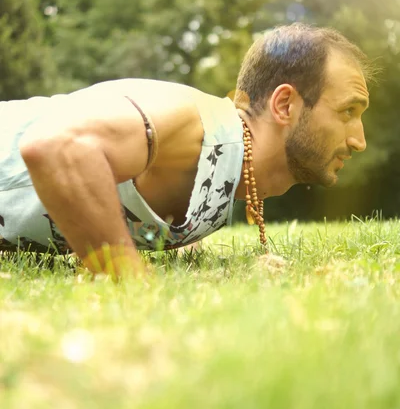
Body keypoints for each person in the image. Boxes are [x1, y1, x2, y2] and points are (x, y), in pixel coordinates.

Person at [0, 23, 371, 276]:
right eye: (348, 112)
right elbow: (54, 149)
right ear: (285, 105)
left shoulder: (227, 171)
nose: (359, 139)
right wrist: (129, 282)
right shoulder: (192, 119)